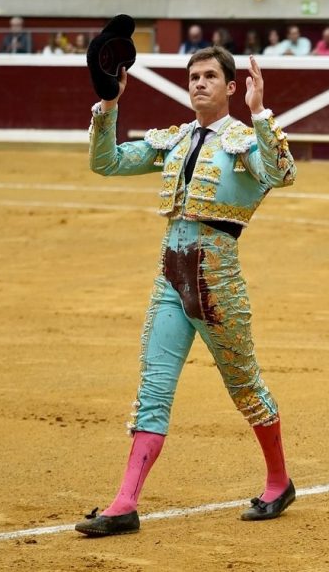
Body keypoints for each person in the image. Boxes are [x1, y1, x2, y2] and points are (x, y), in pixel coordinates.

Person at [76, 33, 297, 536]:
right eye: (193, 77)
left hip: (218, 284)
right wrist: (109, 104)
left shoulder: (243, 141)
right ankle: (124, 503)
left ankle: (278, 481)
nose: (199, 84)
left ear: (231, 86)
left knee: (245, 386)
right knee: (152, 390)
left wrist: (259, 113)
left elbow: (282, 173)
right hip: (170, 279)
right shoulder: (175, 140)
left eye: (210, 76)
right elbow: (106, 162)